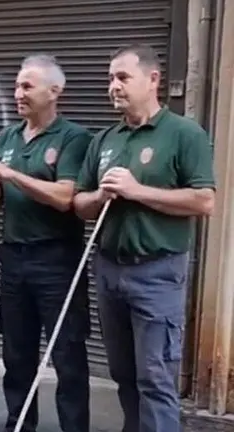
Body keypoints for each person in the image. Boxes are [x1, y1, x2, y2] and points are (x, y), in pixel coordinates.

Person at [73, 44, 215, 432]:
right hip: (109, 269)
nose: (113, 87)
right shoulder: (105, 140)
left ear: (153, 80)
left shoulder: (184, 133)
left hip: (157, 272)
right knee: (124, 373)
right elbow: (79, 204)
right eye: (109, 79)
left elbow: (204, 201)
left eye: (122, 78)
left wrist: (138, 191)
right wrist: (100, 196)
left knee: (155, 378)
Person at [0, 54, 92, 432]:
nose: (17, 93)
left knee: (67, 355)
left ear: (54, 91)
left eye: (27, 86)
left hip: (57, 260)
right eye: (15, 86)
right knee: (17, 354)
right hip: (14, 257)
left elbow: (65, 197)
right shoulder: (8, 136)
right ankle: (19, 425)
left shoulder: (74, 138)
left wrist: (10, 173)